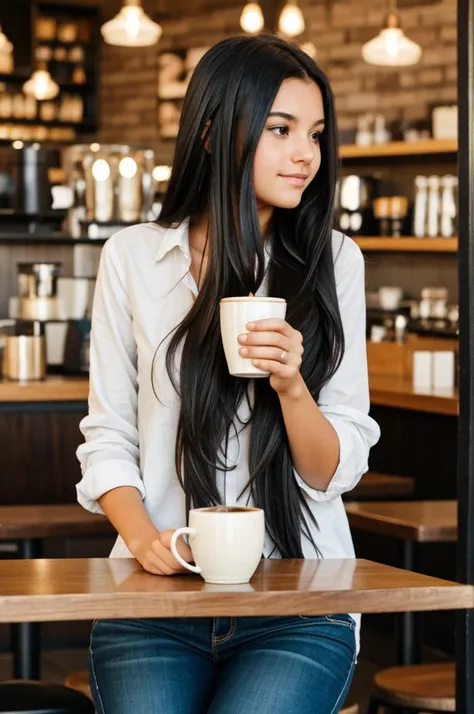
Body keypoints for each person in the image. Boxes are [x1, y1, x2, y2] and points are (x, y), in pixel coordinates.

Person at [76, 33, 380, 714]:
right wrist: (143, 541)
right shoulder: (133, 258)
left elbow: (334, 471)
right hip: (155, 601)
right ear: (214, 134)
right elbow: (107, 436)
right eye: (281, 130)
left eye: (316, 133)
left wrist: (293, 385)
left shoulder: (335, 262)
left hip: (301, 600)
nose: (307, 154)